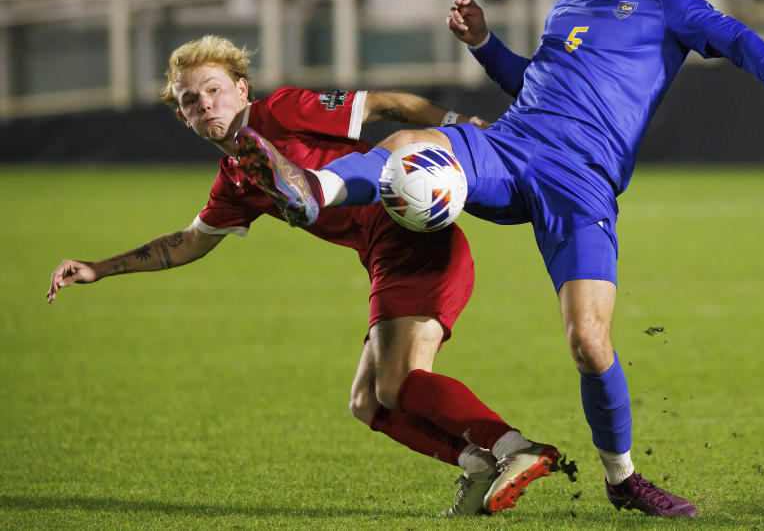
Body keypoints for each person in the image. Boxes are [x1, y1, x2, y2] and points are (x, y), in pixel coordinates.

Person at [234, 0, 764, 518]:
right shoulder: (568, 5)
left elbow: (737, 38)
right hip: (512, 147)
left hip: (582, 182)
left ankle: (623, 479)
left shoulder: (669, 7)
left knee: (588, 341)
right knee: (414, 141)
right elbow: (533, 86)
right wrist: (485, 47)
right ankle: (311, 190)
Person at [45, 35, 562, 517]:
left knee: (398, 385)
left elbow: (386, 104)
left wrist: (459, 123)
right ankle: (475, 462)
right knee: (367, 401)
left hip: (413, 241)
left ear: (241, 90)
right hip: (385, 258)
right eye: (189, 101)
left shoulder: (280, 109)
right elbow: (189, 241)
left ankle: (512, 447)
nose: (205, 104)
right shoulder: (234, 182)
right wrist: (99, 268)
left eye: (214, 90)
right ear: (183, 118)